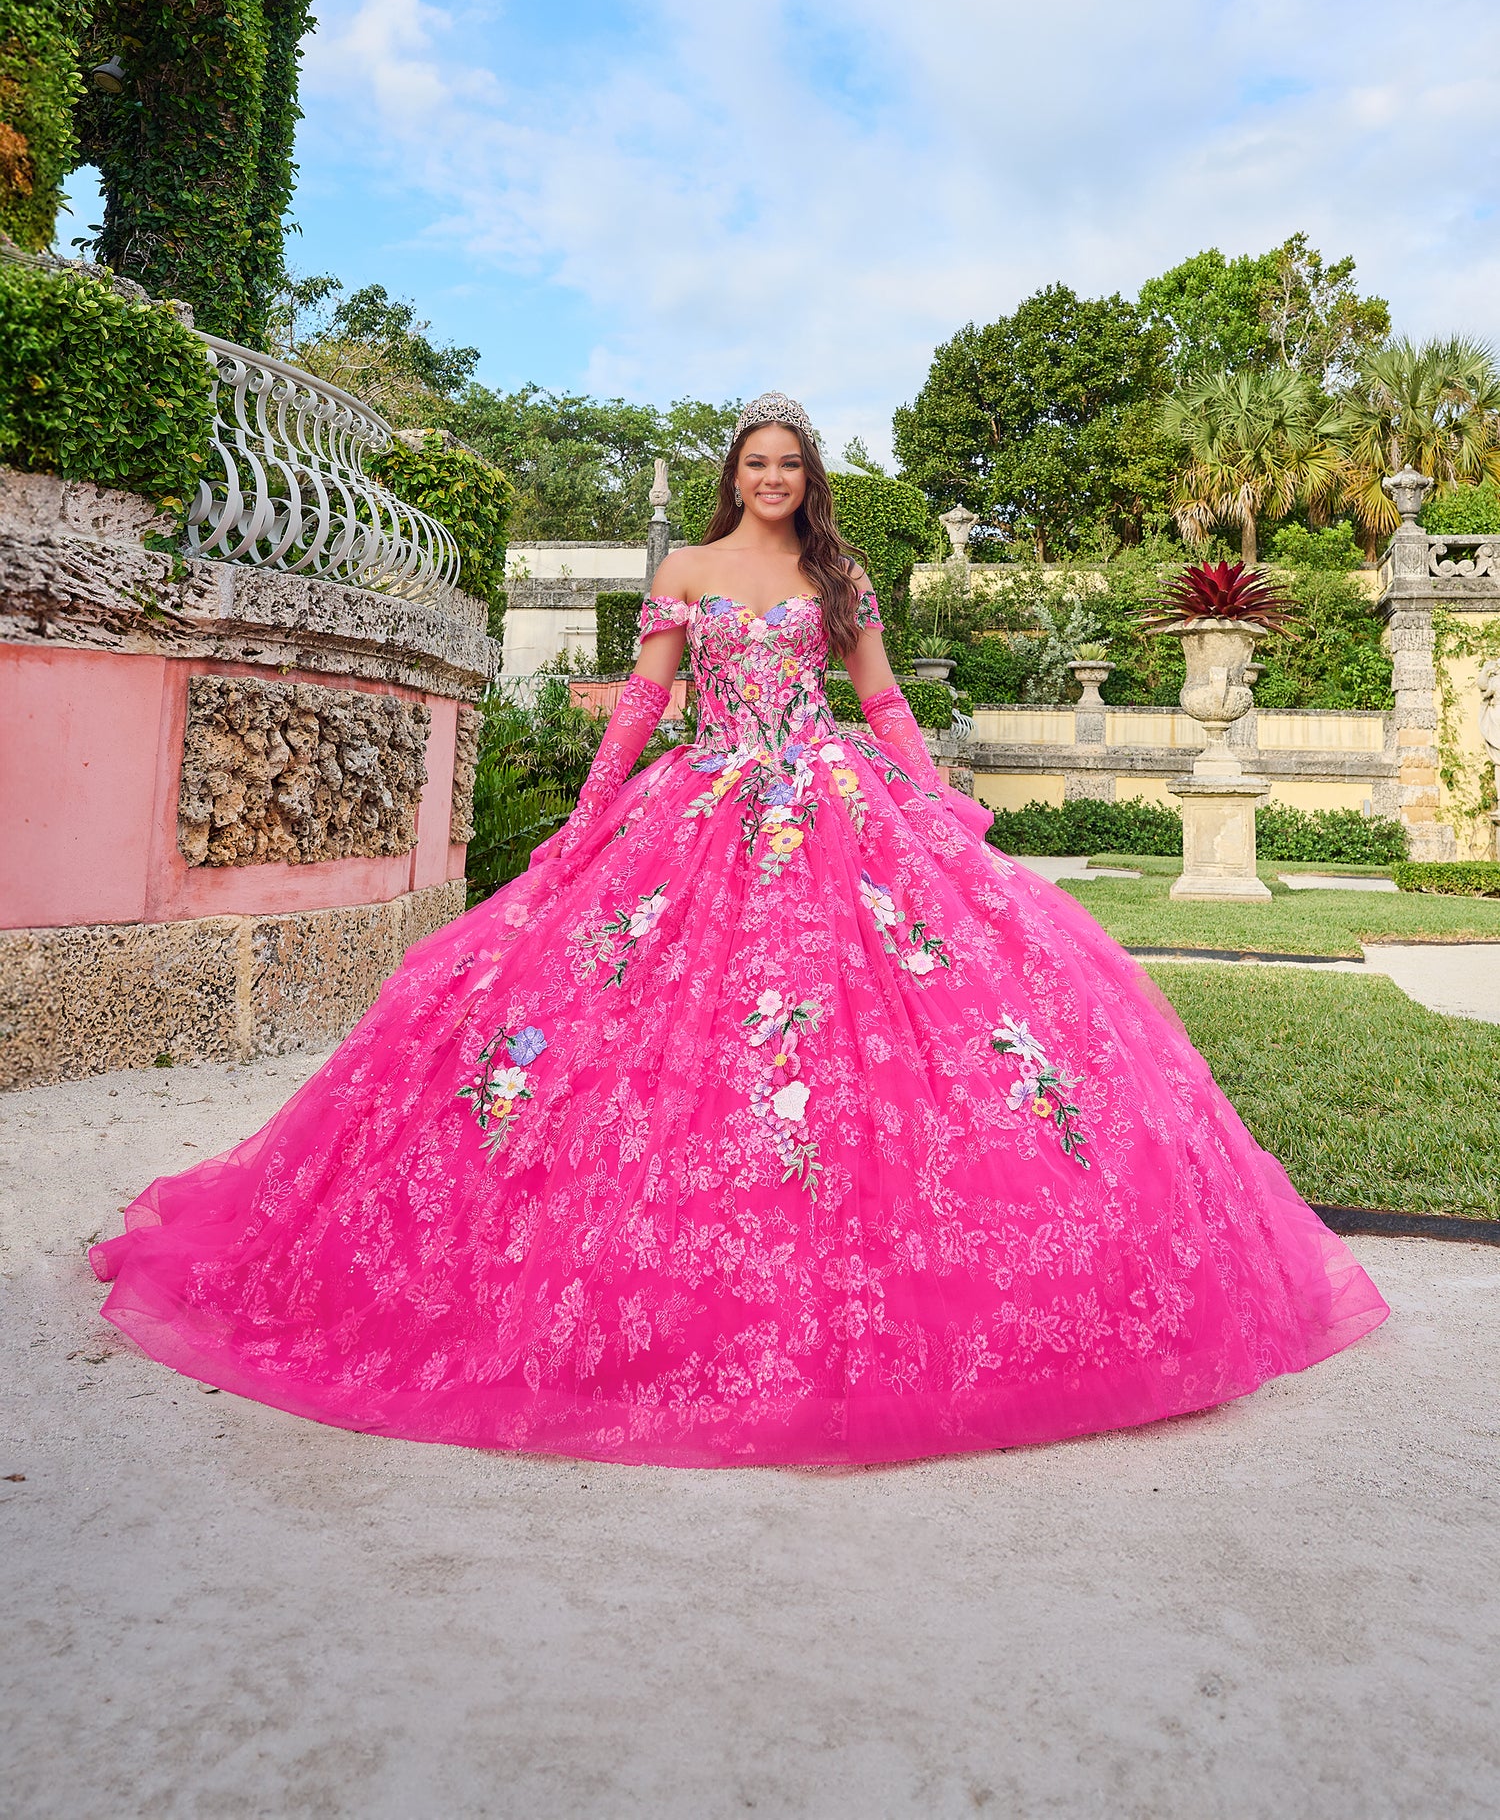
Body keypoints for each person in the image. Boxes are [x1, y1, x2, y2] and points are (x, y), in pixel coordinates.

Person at [91, 391, 1387, 1465]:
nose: (773, 476)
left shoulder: (840, 572)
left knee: (908, 1038)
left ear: (809, 476)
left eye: (790, 462)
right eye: (755, 461)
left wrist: (937, 805)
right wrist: (587, 818)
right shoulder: (688, 571)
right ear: (735, 472)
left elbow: (880, 701)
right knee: (620, 1025)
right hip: (703, 809)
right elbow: (639, 704)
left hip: (832, 810)